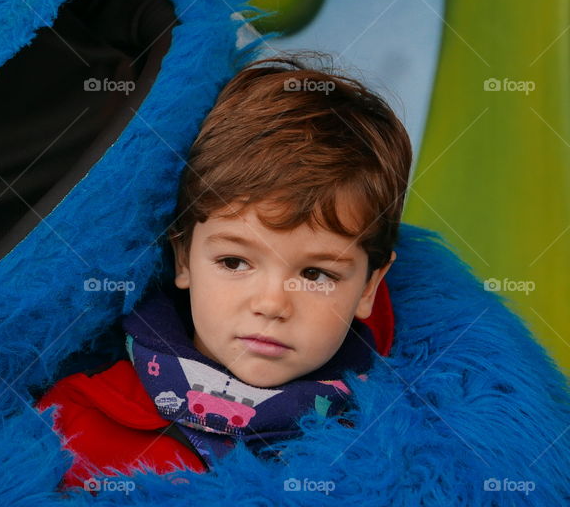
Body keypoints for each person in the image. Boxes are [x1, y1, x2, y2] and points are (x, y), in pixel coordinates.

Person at [35, 53, 413, 490]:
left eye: (316, 274)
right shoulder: (74, 428)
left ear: (369, 287)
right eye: (234, 262)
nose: (272, 304)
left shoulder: (406, 436)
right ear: (183, 259)